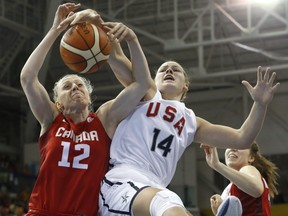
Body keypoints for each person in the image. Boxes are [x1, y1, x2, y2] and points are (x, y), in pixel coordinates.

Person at [60, 9, 280, 216]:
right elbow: (113, 53)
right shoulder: (144, 93)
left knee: (173, 206)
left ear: (185, 86)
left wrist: (260, 104)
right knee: (168, 202)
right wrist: (94, 19)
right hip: (123, 179)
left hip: (154, 186)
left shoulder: (192, 122)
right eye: (163, 69)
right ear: (153, 79)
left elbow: (243, 138)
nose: (169, 70)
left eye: (176, 69)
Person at [20, 3, 153, 216]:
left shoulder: (104, 119)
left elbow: (142, 85)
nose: (75, 87)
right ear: (58, 104)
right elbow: (27, 77)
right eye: (67, 86)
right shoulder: (50, 118)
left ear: (89, 97)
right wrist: (56, 29)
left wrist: (133, 41)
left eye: (79, 85)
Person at [202, 141, 279, 216]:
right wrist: (218, 211)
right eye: (229, 146)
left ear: (251, 158)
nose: (233, 148)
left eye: (239, 146)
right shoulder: (228, 190)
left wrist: (217, 165)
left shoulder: (248, 168)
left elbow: (256, 189)